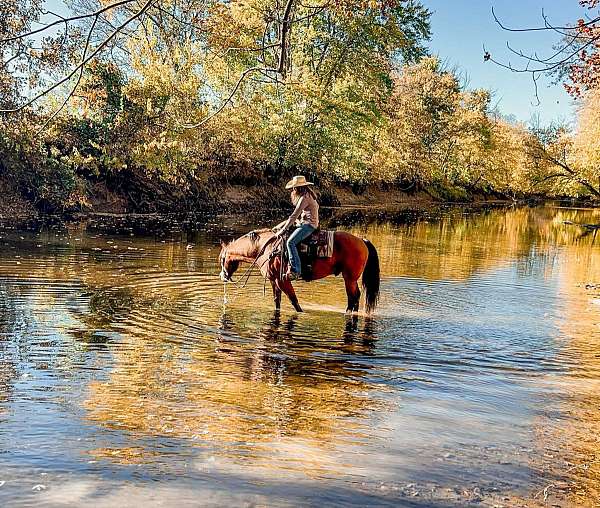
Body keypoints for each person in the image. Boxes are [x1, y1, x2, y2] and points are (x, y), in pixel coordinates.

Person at [273, 175, 319, 281]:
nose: (293, 190)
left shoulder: (304, 198)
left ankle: (296, 270)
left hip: (309, 225)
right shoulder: (309, 195)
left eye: (294, 188)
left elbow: (294, 215)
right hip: (307, 222)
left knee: (290, 242)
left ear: (298, 188)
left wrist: (283, 230)